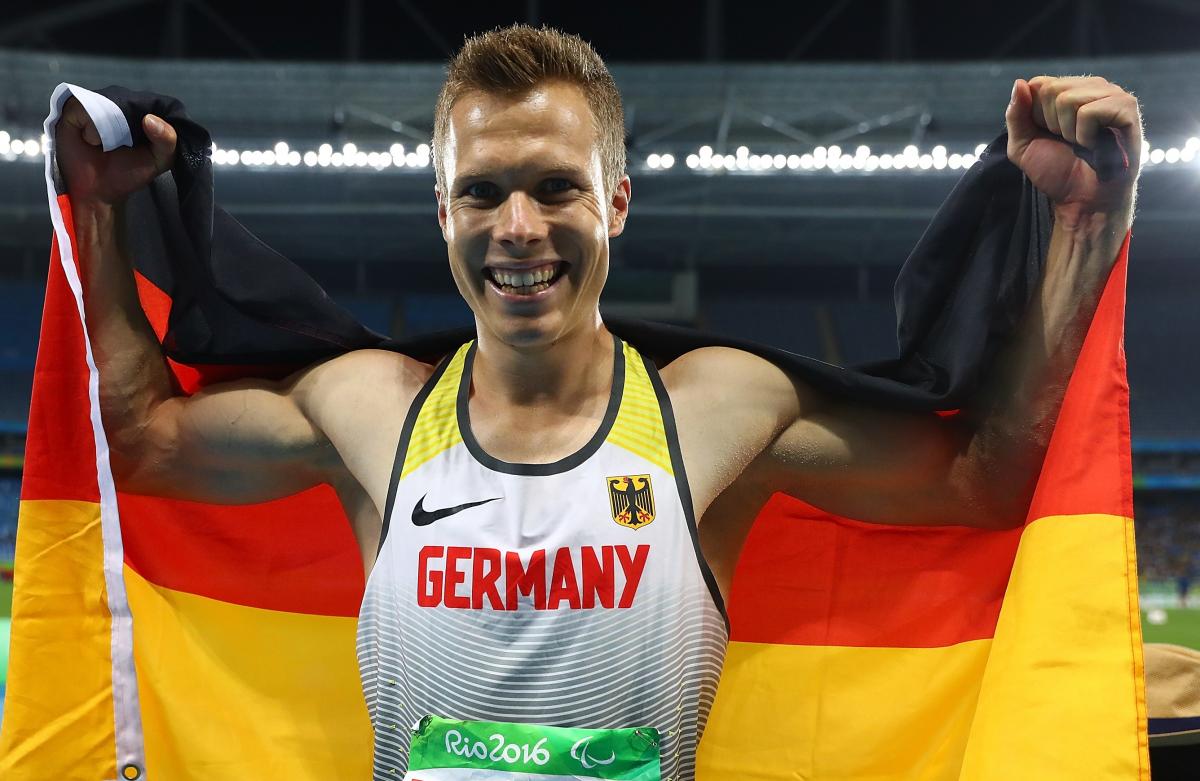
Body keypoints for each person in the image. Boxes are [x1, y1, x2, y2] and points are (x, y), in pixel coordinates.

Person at [56, 24, 1141, 781]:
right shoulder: (371, 416)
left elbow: (986, 480)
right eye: (481, 190)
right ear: (442, 210)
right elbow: (143, 444)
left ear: (615, 201)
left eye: (556, 186)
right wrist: (101, 220)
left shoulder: (718, 413)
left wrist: (1087, 225)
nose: (518, 226)